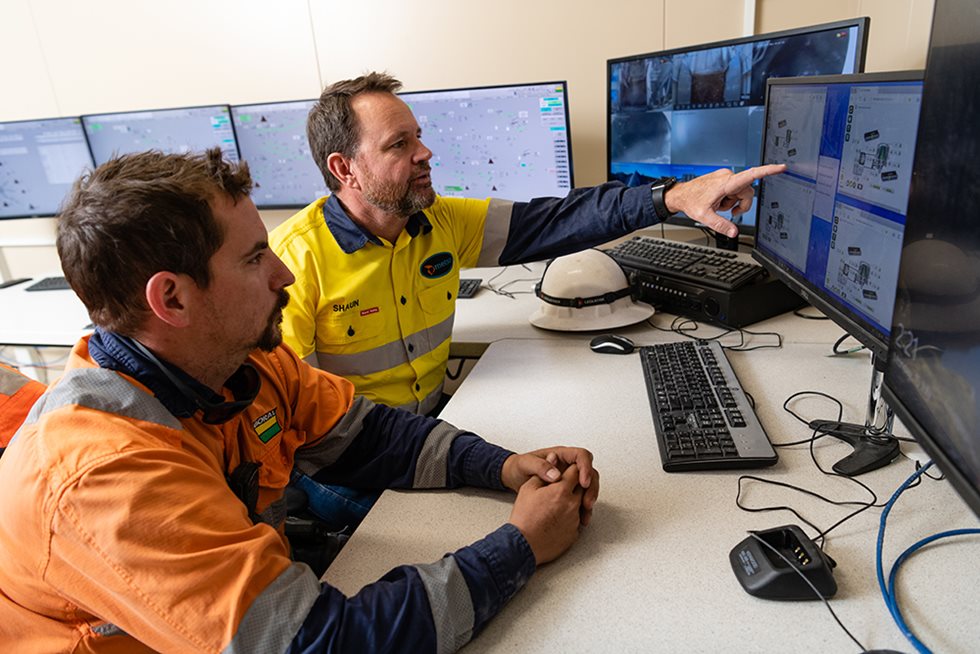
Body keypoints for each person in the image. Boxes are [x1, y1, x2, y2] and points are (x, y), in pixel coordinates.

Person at [0, 149, 600, 653]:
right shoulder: (107, 478)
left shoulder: (240, 360)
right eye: (255, 257)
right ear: (172, 300)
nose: (284, 274)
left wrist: (502, 465)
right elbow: (317, 643)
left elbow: (366, 435)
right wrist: (517, 548)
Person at [269, 71, 784, 529]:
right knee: (495, 526)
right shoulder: (292, 265)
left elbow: (561, 218)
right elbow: (312, 429)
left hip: (423, 428)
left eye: (419, 137)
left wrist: (673, 198)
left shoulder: (439, 222)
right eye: (399, 145)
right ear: (345, 169)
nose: (425, 153)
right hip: (346, 461)